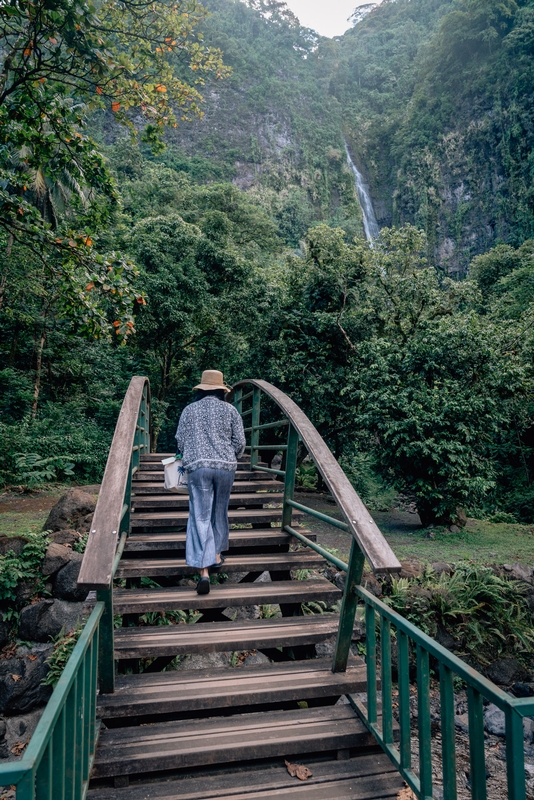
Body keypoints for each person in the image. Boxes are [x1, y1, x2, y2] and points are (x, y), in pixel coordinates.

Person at [175, 370, 246, 594]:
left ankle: (204, 571)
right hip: (226, 467)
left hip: (199, 467)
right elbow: (240, 442)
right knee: (219, 511)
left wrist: (191, 454)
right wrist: (229, 455)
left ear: (201, 389)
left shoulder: (189, 410)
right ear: (221, 390)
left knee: (200, 516)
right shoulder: (231, 410)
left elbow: (180, 440)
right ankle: (216, 554)